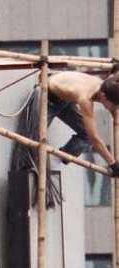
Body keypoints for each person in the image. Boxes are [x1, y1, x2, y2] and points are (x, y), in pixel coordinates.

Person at [12, 72, 119, 204]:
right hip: (48, 96)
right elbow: (94, 138)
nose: (116, 109)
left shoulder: (108, 84)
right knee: (32, 142)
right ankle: (27, 176)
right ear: (103, 97)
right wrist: (113, 164)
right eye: (115, 105)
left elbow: (115, 82)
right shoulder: (85, 98)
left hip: (66, 100)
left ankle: (56, 160)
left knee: (84, 134)